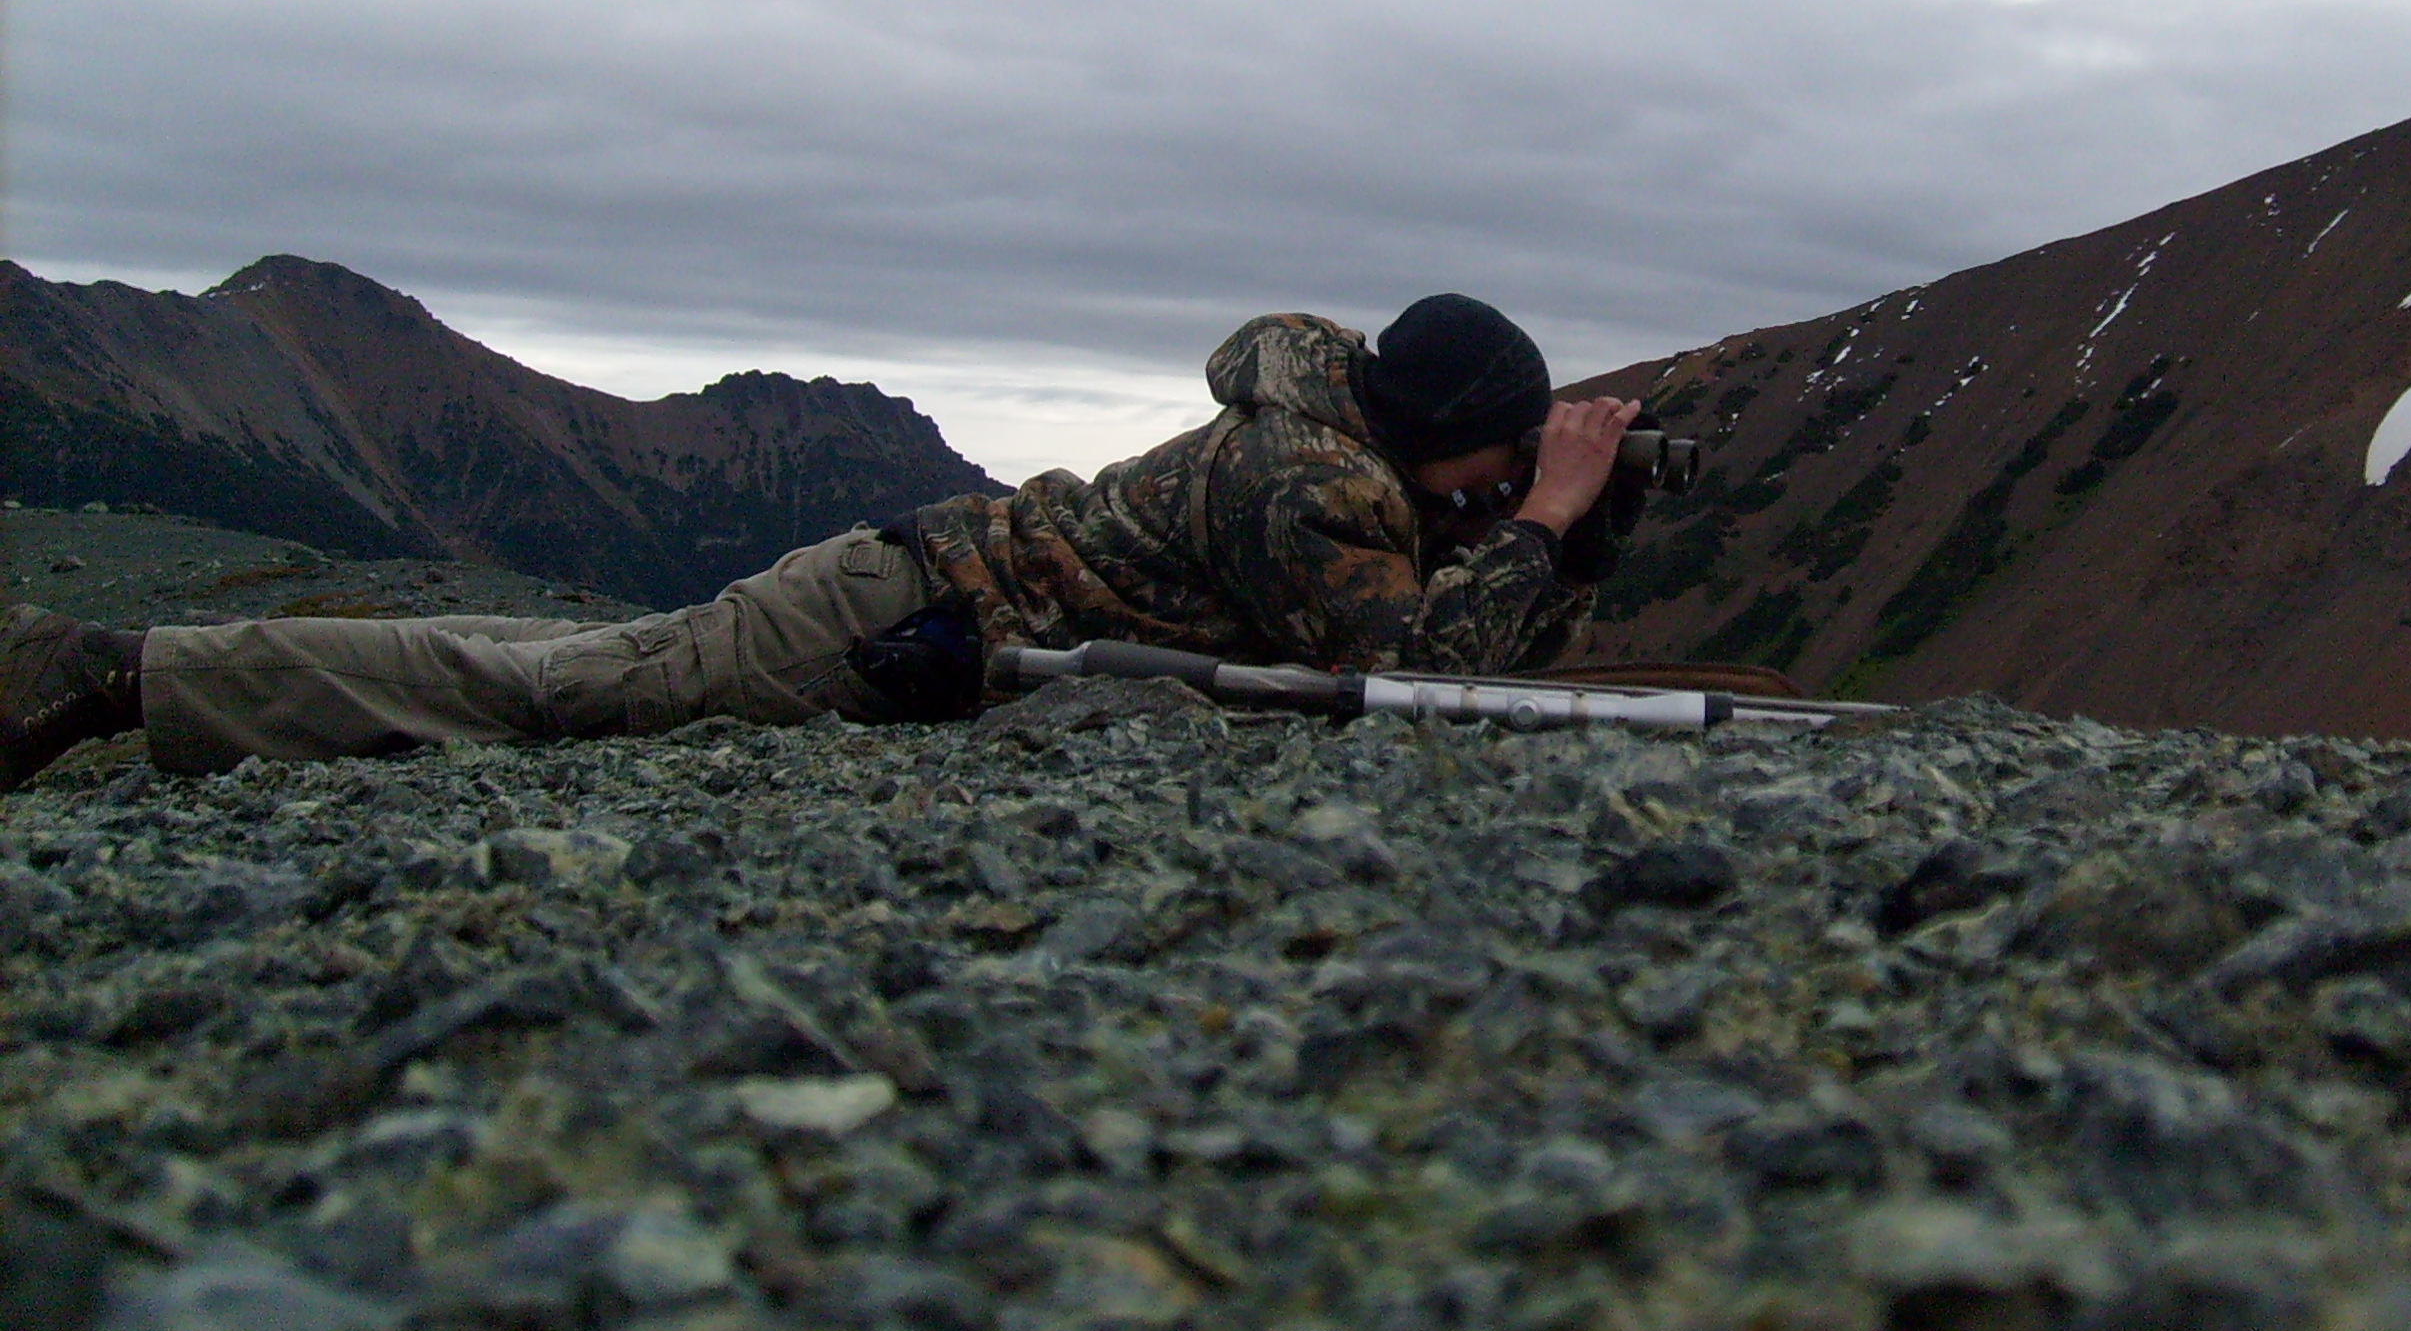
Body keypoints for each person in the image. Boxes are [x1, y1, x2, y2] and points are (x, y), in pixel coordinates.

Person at [1, 296, 1641, 786]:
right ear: (1440, 435)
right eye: (1500, 460)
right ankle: (124, 671)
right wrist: (1552, 525)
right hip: (884, 610)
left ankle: (143, 678)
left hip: (922, 613)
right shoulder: (1321, 486)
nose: (1504, 488)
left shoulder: (1347, 460)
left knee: (560, 682)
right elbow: (1419, 676)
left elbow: (1444, 652)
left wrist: (1562, 538)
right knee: (549, 695)